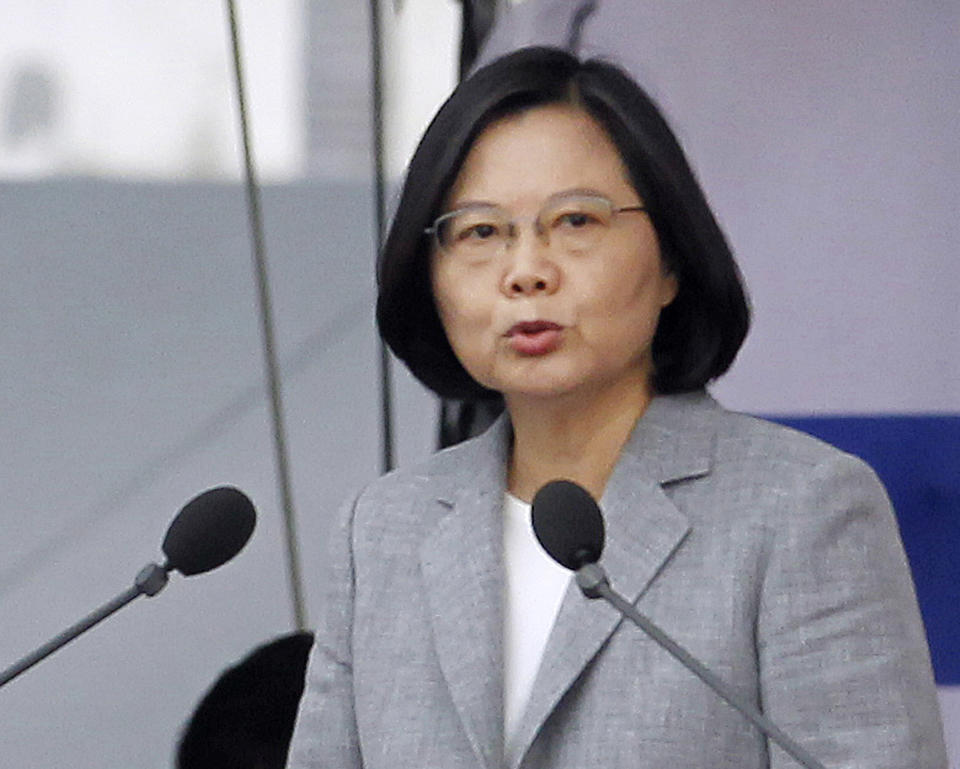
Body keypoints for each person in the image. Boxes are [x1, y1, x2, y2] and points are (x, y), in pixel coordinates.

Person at [286, 47, 946, 769]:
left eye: (574, 221)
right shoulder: (382, 532)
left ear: (670, 261)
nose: (527, 270)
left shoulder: (802, 510)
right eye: (480, 232)